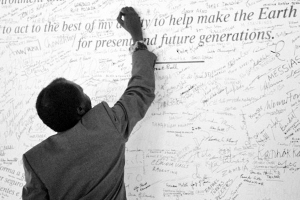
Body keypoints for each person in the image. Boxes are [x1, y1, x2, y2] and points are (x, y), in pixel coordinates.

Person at [22, 7, 156, 200]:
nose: (86, 93)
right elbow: (141, 89)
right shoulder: (107, 124)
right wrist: (137, 38)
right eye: (82, 91)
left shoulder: (36, 161)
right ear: (80, 108)